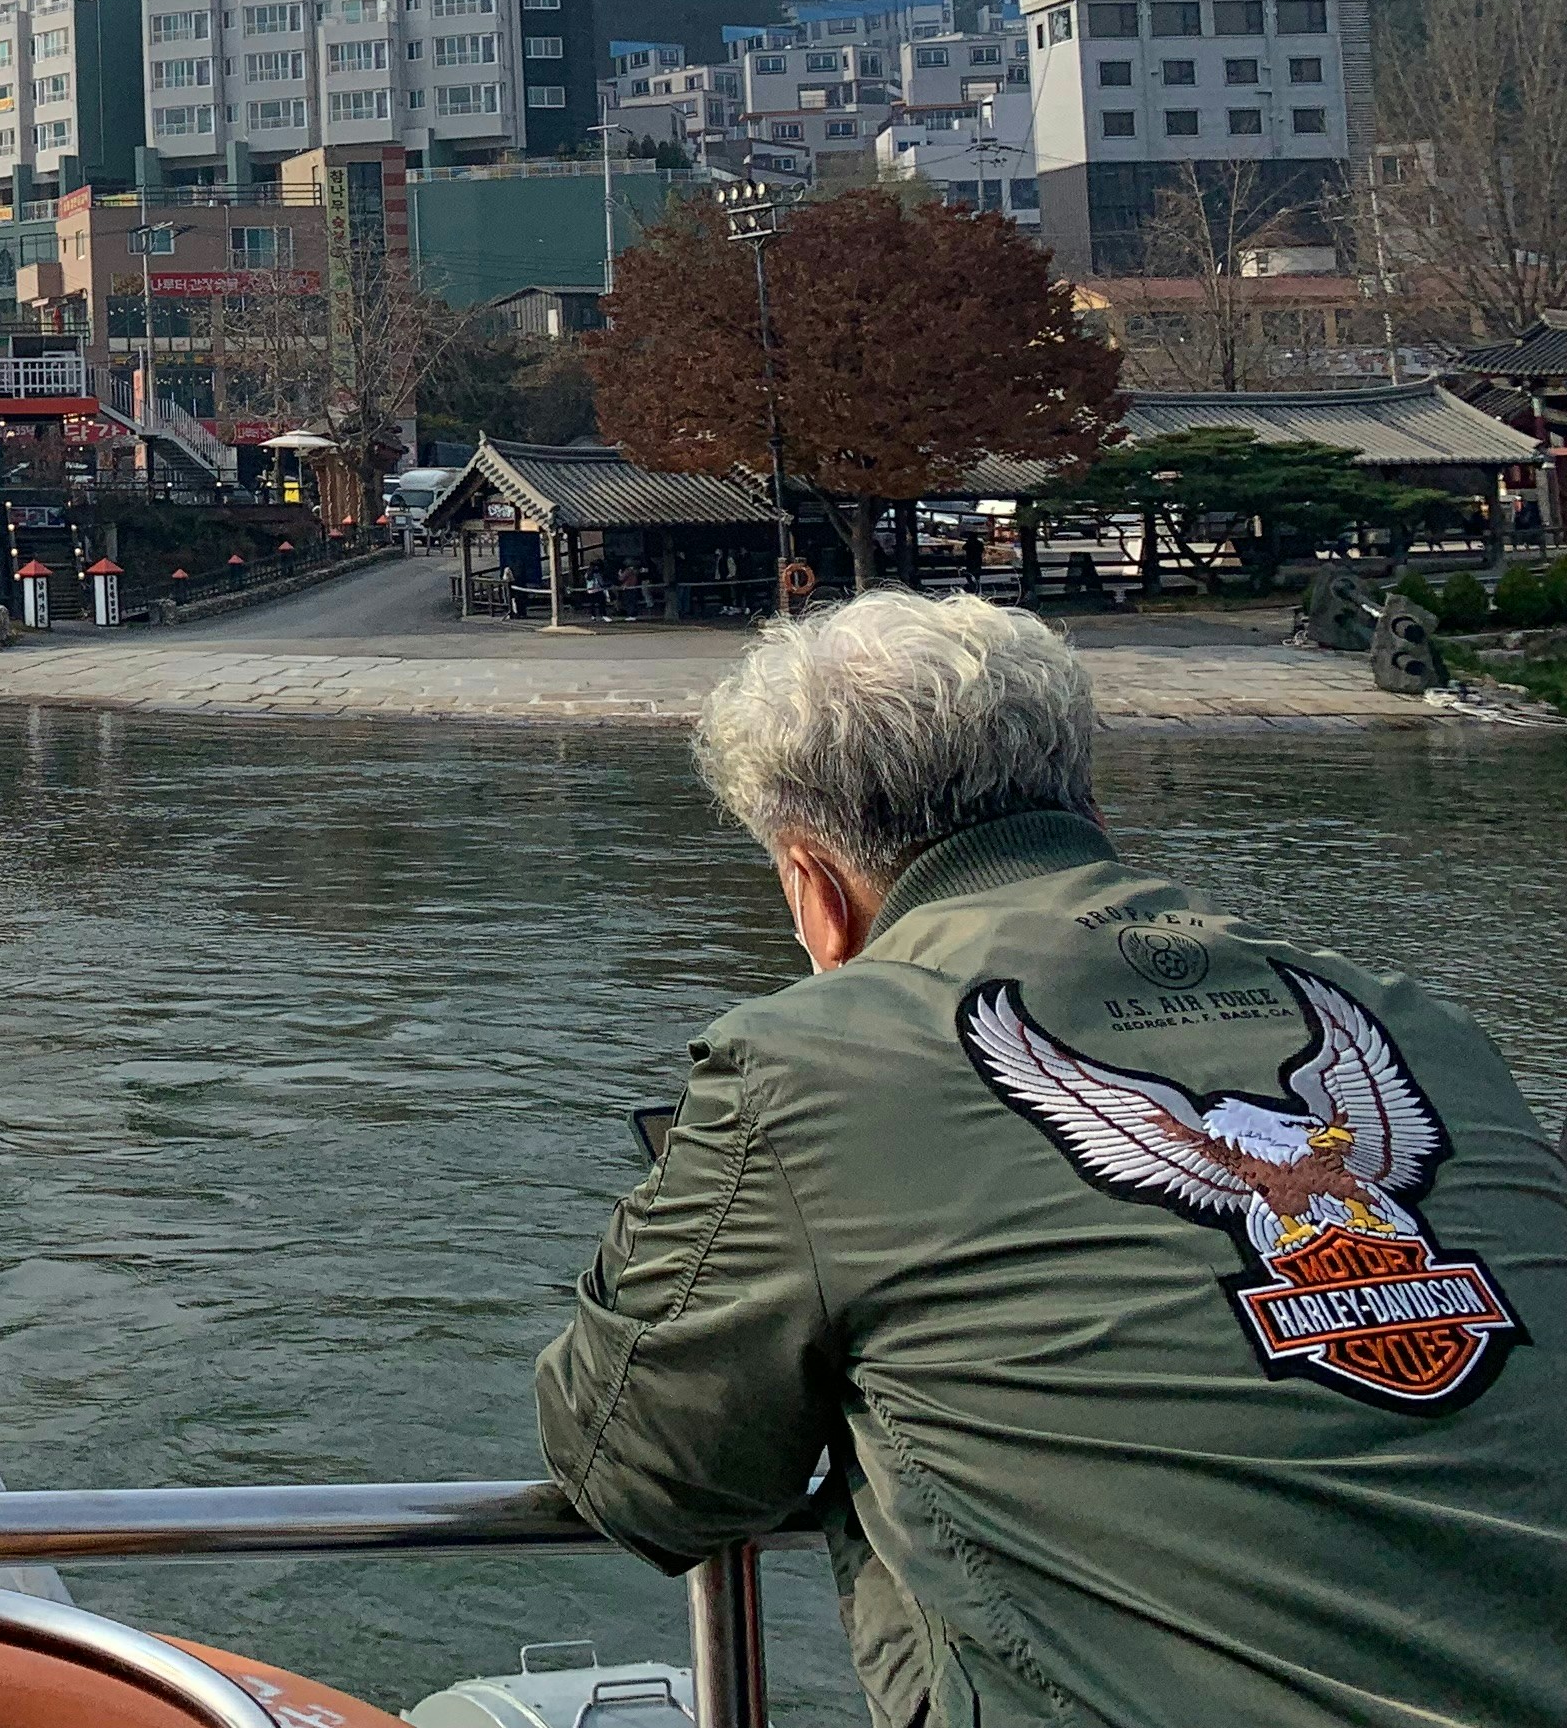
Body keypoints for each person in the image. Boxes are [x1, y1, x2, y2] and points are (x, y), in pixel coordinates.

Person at [535, 591, 1566, 1727]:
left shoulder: (809, 1063)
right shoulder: (1416, 1022)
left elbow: (646, 1475)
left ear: (813, 889)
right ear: (1088, 805)